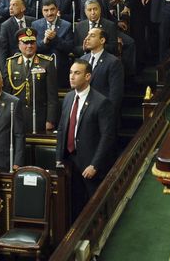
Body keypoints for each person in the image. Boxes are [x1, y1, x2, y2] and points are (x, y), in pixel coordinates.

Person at [55, 60, 114, 221]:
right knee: (72, 206)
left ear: (88, 76)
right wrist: (59, 159)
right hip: (69, 162)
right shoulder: (68, 98)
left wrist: (95, 164)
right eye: (70, 72)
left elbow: (107, 137)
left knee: (94, 210)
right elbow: (62, 129)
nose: (71, 77)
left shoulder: (101, 102)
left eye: (77, 73)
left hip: (89, 165)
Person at [4, 28, 58, 134]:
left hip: (39, 116)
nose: (29, 46)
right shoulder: (11, 63)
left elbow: (52, 96)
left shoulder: (46, 63)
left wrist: (50, 120)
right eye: (25, 43)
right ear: (19, 45)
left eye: (32, 42)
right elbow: (7, 94)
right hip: (17, 115)